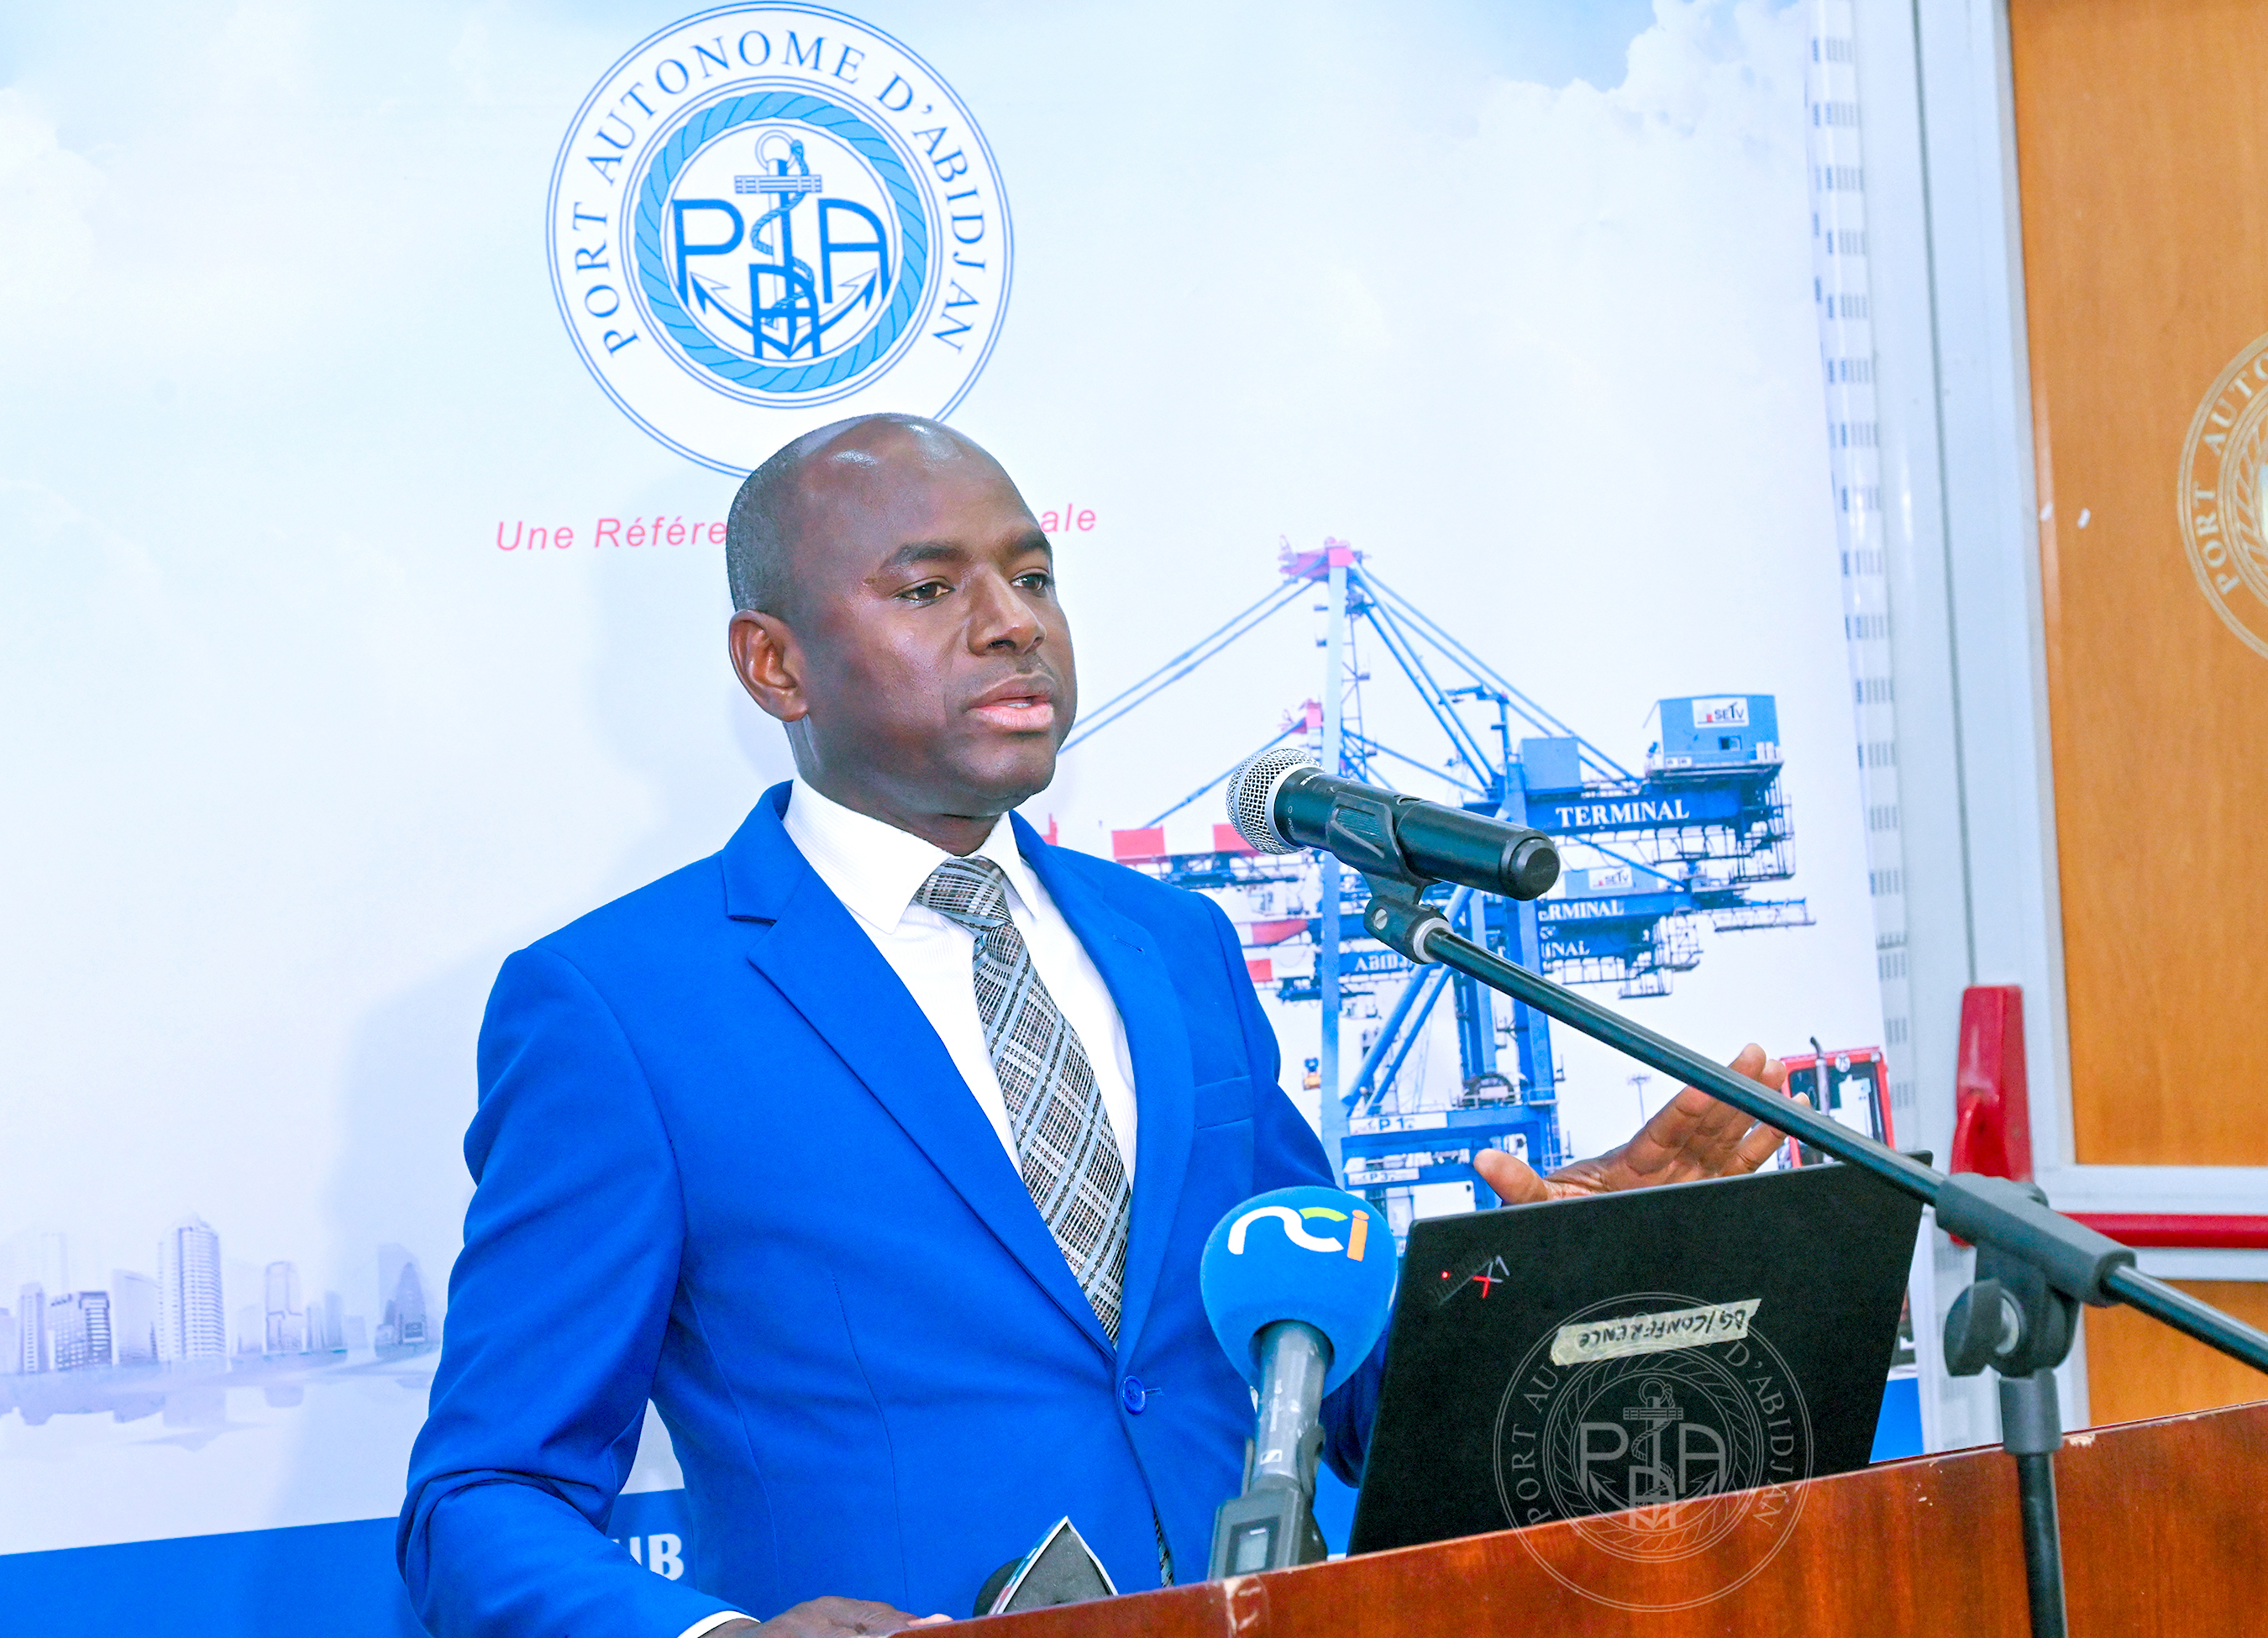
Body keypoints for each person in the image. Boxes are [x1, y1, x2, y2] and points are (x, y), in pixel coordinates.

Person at [397, 415, 1793, 1638]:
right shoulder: (623, 1007)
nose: (1014, 622)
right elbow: (482, 1494)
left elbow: (1335, 1377)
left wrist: (1563, 1266)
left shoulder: (1173, 944)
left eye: (1033, 575)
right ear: (775, 664)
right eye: (929, 588)